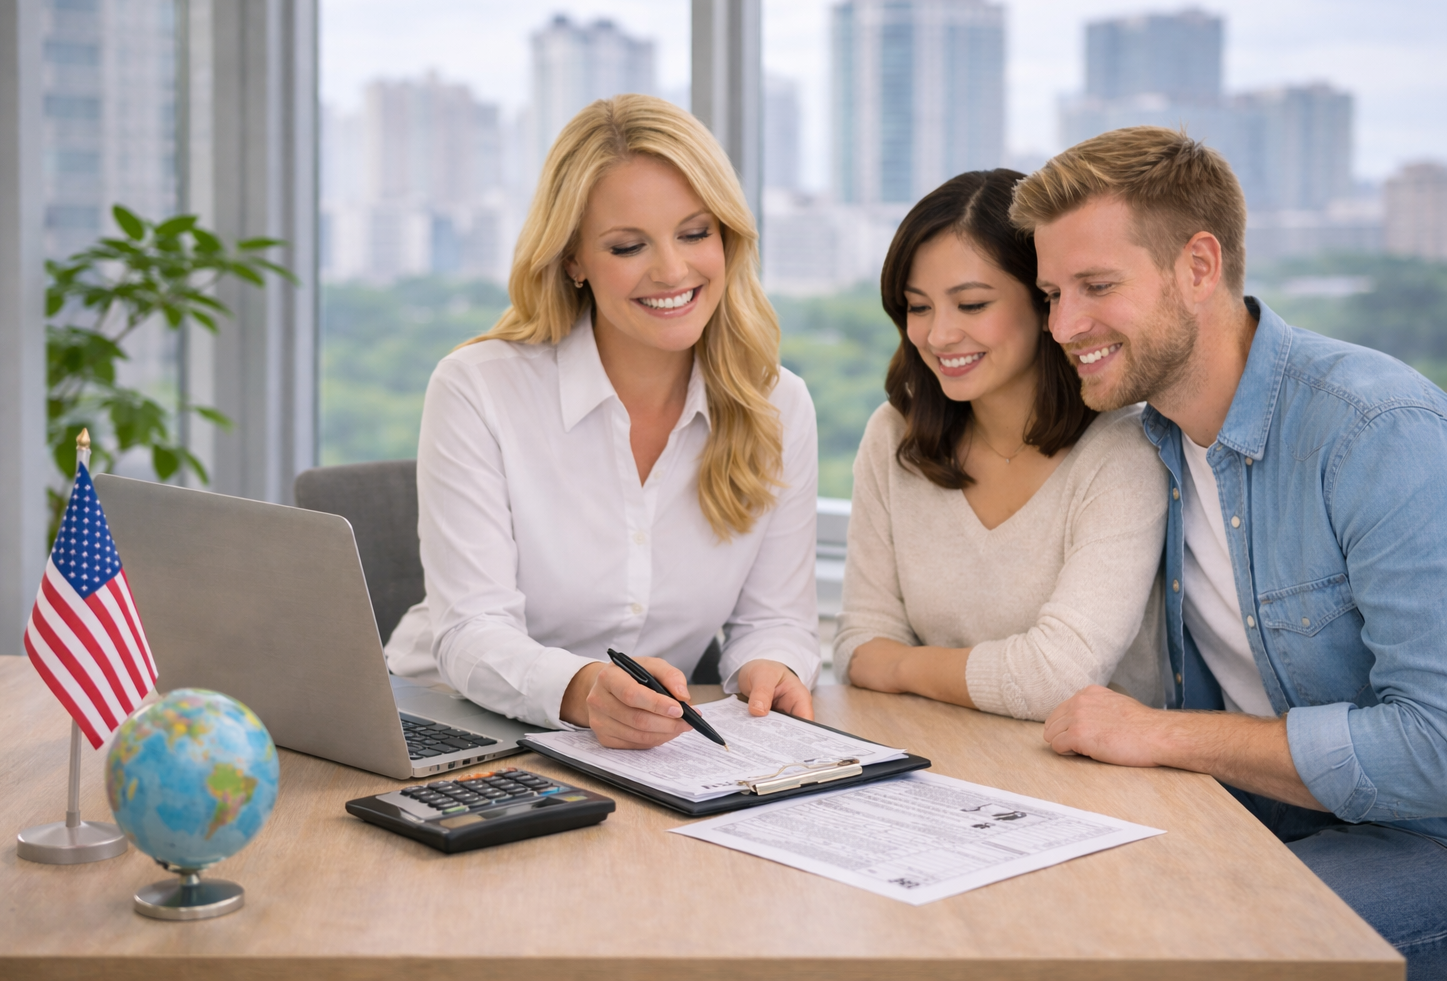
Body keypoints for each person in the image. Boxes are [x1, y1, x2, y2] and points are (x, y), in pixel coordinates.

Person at [1015, 125, 1447, 975]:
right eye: (1051, 293)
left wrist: (1162, 735)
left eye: (1096, 286)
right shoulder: (1151, 446)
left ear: (1199, 267)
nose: (1063, 325)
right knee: (1030, 919)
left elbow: (1436, 750)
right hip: (1274, 820)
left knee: (1168, 952)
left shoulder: (1376, 432)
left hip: (1422, 839)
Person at [385, 94, 820, 750]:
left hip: (639, 753)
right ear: (573, 261)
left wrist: (770, 669)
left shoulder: (778, 406)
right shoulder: (478, 388)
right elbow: (469, 631)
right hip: (444, 726)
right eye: (627, 245)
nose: (672, 270)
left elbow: (774, 618)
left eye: (695, 233)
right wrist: (583, 690)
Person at [832, 169, 1168, 722]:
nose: (938, 336)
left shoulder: (1123, 452)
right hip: (939, 768)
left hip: (1095, 788)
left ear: (1044, 305)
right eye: (919, 307)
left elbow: (1057, 679)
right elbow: (857, 645)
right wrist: (893, 662)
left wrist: (900, 667)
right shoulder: (895, 435)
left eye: (971, 305)